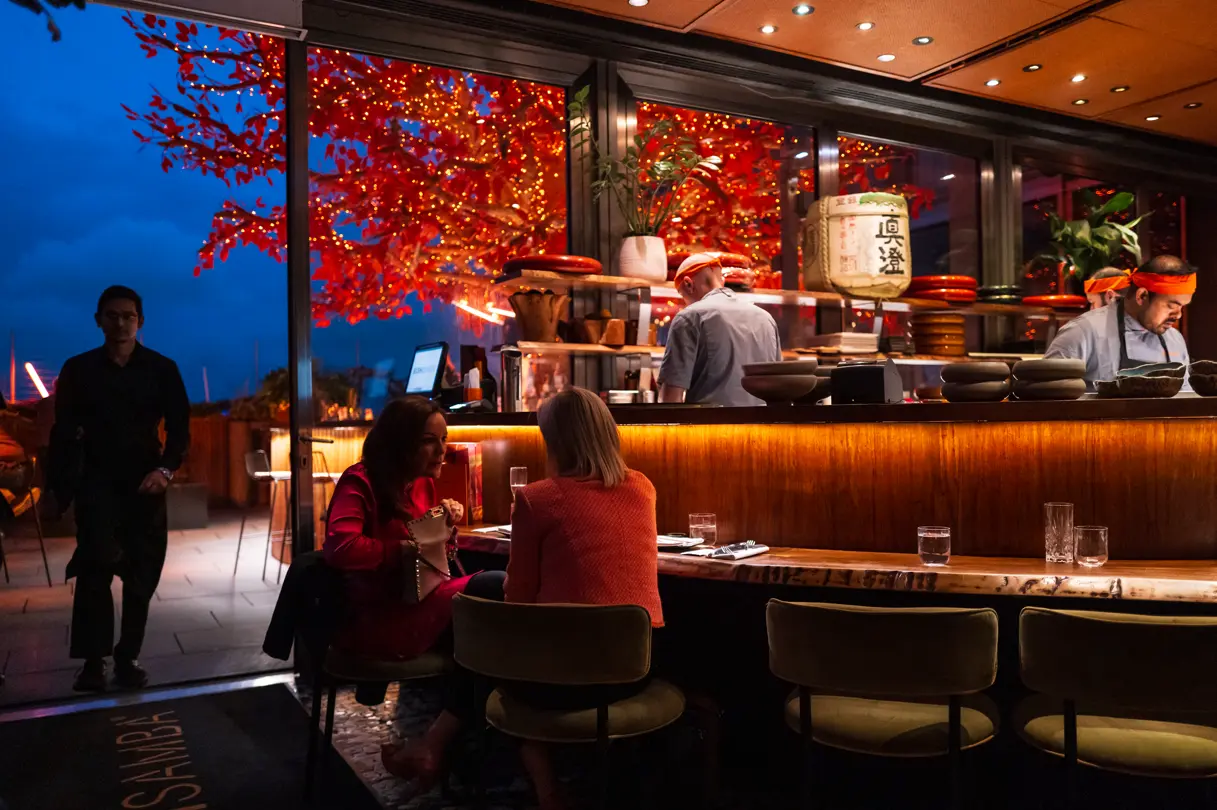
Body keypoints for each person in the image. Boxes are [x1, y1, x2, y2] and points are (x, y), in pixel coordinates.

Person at [322, 396, 505, 788]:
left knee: (492, 629)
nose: (442, 450)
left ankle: (442, 746)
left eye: (444, 438)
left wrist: (444, 530)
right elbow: (338, 549)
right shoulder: (360, 482)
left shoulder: (420, 485)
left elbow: (428, 556)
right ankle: (469, 748)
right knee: (495, 592)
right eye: (429, 441)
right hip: (380, 617)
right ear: (400, 444)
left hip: (419, 603)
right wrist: (400, 550)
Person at [506, 387, 662, 810]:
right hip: (633, 672)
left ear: (554, 441)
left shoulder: (535, 499)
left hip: (559, 683)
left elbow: (515, 601)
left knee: (483, 602)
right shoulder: (643, 488)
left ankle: (539, 773)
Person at [45, 286, 190, 692]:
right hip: (96, 480)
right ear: (98, 320)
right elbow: (63, 432)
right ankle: (93, 663)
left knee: (142, 574)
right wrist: (59, 487)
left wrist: (165, 470)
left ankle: (128, 657)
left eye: (128, 315)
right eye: (112, 315)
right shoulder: (78, 370)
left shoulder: (162, 369)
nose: (120, 322)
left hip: (146, 481)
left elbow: (180, 429)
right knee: (94, 568)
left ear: (140, 321)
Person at [1045, 255, 1195, 389]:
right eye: (1172, 305)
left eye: (1182, 306)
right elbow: (1048, 398)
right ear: (1142, 296)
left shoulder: (1175, 340)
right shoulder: (1083, 332)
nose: (1178, 315)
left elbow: (1185, 399)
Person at [658, 252, 782, 406]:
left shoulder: (689, 318)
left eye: (683, 296)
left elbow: (671, 399)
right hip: (763, 428)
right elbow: (779, 389)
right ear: (722, 281)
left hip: (710, 428)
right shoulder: (766, 319)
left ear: (688, 284)